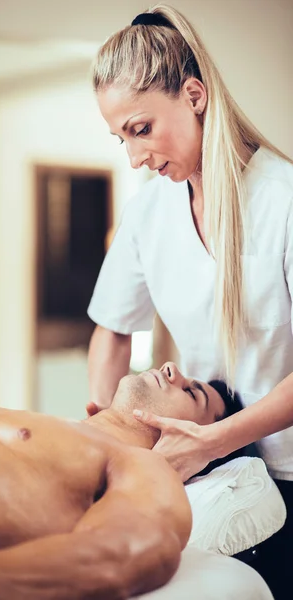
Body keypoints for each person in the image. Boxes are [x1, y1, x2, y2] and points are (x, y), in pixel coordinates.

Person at [86, 5, 293, 599]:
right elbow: (111, 329)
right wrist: (117, 437)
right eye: (120, 137)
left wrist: (217, 441)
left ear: (195, 95)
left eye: (141, 129)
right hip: (204, 467)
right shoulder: (150, 211)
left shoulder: (280, 201)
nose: (134, 157)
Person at [0, 364, 234, 600]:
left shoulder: (140, 465)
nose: (171, 369)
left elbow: (121, 558)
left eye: (192, 393)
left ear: (198, 442)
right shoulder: (54, 425)